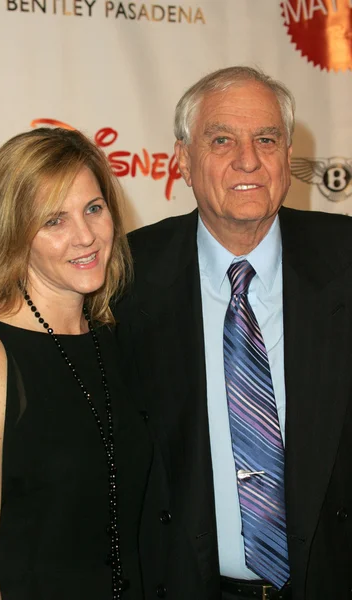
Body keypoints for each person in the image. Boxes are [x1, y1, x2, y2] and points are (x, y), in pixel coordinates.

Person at [114, 66, 352, 600]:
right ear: (183, 161)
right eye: (221, 139)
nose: (248, 159)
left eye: (266, 139)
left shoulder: (346, 260)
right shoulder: (125, 277)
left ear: (288, 153)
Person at [0, 127, 152, 600]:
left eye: (94, 209)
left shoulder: (112, 338)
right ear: (13, 233)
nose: (85, 237)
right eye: (53, 221)